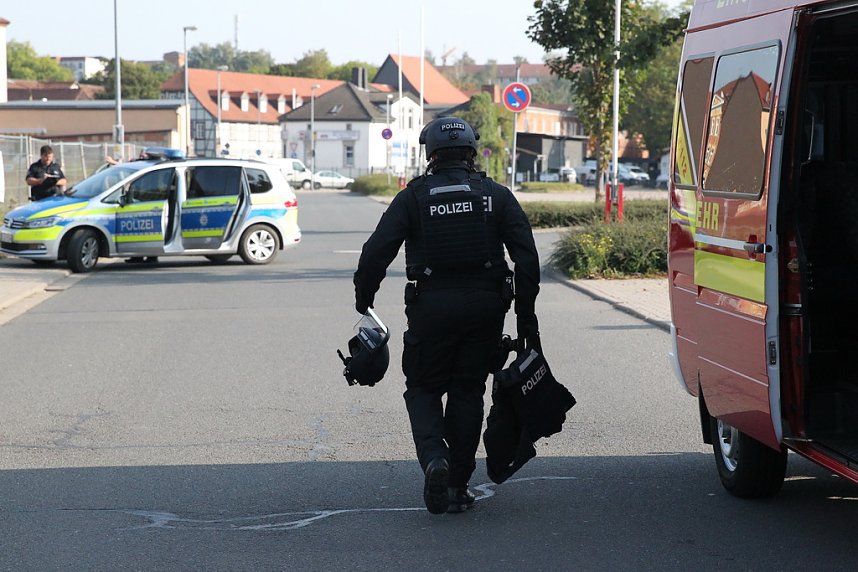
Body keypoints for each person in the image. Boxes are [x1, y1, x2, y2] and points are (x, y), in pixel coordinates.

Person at [353, 117, 540, 515]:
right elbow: (527, 259)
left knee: (423, 388)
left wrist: (364, 299)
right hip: (485, 310)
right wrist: (527, 319)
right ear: (471, 153)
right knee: (467, 392)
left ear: (431, 155)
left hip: (430, 310)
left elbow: (375, 254)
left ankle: (435, 458)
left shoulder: (413, 198)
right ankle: (457, 484)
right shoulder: (496, 196)